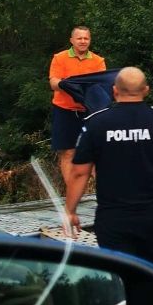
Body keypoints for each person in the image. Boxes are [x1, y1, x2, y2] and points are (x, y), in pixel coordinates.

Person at [64, 67, 153, 267]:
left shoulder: (96, 123)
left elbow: (79, 173)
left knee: (118, 275)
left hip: (113, 216)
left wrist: (70, 211)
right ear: (146, 90)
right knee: (151, 272)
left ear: (114, 91)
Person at [49, 26, 106, 186]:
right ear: (72, 40)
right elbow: (53, 82)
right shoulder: (60, 58)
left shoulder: (98, 61)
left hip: (90, 111)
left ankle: (104, 191)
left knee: (96, 152)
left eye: (85, 38)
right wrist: (68, 86)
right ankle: (72, 192)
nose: (82, 41)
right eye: (79, 38)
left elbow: (101, 85)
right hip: (64, 110)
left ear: (90, 40)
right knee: (68, 152)